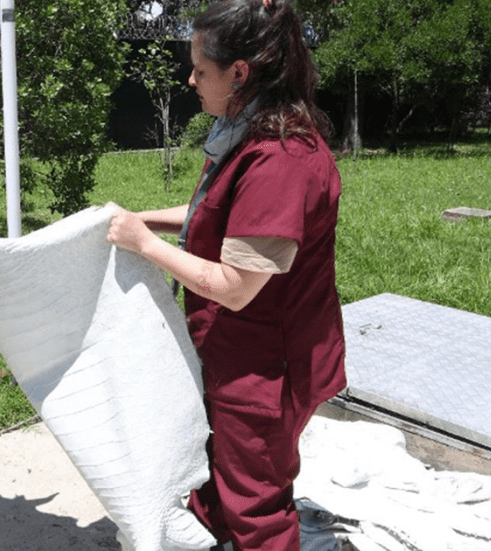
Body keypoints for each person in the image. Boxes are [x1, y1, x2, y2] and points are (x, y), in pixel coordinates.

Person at [105, 1, 346, 550]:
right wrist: (140, 219)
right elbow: (214, 220)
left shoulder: (281, 158)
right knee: (214, 484)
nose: (189, 79)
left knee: (255, 506)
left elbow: (237, 286)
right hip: (238, 355)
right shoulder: (249, 132)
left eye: (200, 69)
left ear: (240, 72)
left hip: (265, 370)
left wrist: (142, 244)